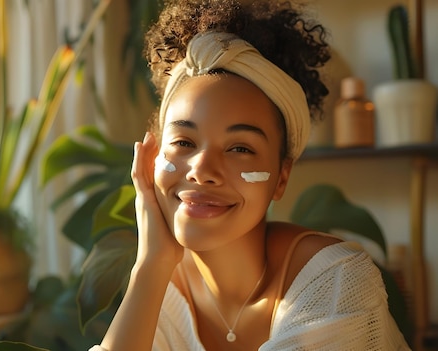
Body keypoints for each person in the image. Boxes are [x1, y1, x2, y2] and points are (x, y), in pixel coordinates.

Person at [91, 0, 411, 350]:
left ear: (282, 177)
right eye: (183, 142)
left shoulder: (336, 282)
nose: (201, 170)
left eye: (239, 148)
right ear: (150, 159)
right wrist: (151, 266)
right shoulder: (158, 288)